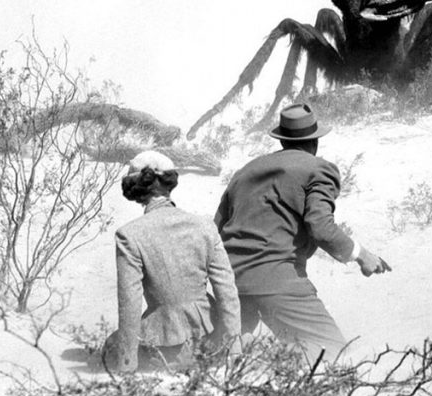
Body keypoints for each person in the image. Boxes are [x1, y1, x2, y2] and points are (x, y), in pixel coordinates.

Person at [214, 104, 391, 362]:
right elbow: (321, 227)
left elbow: (217, 229)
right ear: (315, 141)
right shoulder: (318, 169)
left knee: (231, 361)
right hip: (278, 280)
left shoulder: (245, 171)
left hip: (232, 282)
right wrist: (362, 255)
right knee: (337, 356)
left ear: (282, 140)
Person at [105, 151, 241, 373]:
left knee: (110, 346)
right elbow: (227, 291)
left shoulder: (129, 235)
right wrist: (234, 350)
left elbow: (130, 303)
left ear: (136, 189)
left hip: (166, 346)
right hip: (210, 340)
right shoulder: (205, 226)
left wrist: (127, 363)